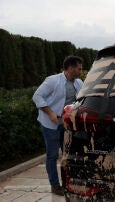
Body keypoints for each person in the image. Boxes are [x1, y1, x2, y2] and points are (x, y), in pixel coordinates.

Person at [32, 56, 83, 196]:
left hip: (67, 125)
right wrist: (50, 113)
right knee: (52, 155)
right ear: (71, 68)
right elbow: (37, 96)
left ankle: (68, 183)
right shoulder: (52, 80)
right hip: (51, 124)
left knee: (68, 155)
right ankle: (55, 186)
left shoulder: (78, 83)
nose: (81, 71)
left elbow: (82, 100)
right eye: (79, 68)